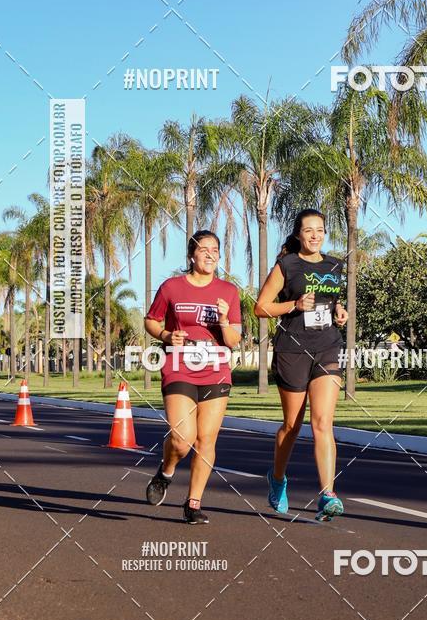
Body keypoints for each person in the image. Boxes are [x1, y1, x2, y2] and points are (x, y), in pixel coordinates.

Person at [255, 209, 348, 521]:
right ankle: (277, 478)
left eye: (319, 229)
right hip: (292, 350)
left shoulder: (335, 264)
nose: (314, 235)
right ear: (297, 234)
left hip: (328, 347)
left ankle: (327, 493)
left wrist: (339, 310)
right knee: (292, 427)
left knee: (322, 422)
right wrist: (292, 305)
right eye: (308, 230)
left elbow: (332, 299)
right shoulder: (287, 265)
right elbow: (261, 307)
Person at [144, 230, 242, 524]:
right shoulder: (172, 287)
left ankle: (193, 503)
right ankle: (166, 470)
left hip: (216, 368)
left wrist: (224, 321)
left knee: (206, 439)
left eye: (215, 250)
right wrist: (165, 334)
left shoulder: (228, 291)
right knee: (182, 438)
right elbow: (151, 320)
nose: (210, 254)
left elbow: (234, 339)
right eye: (204, 250)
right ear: (191, 255)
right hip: (179, 366)